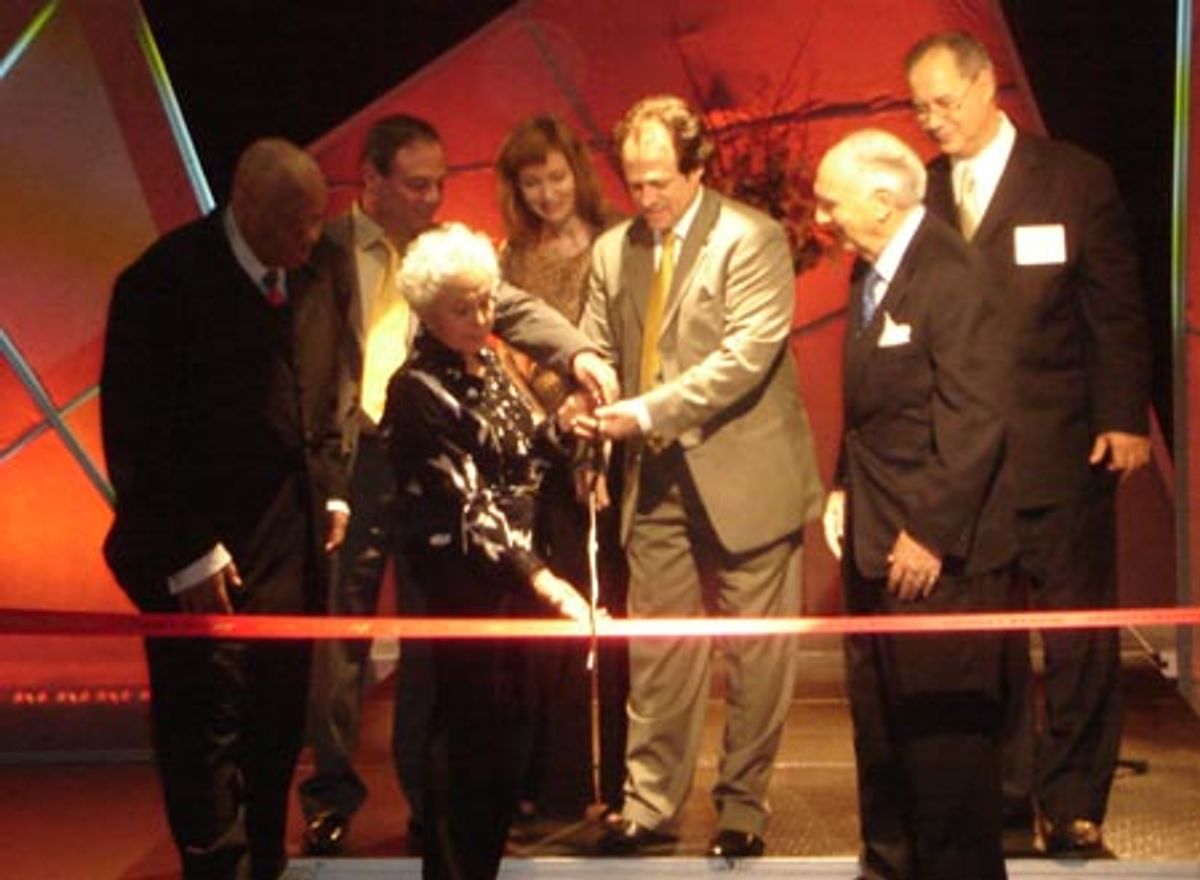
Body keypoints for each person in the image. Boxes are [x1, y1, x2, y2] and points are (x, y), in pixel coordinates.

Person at [299, 114, 619, 856]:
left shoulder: (453, 262)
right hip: (355, 457)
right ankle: (331, 793)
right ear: (371, 180)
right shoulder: (324, 251)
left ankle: (428, 798)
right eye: (416, 185)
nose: (431, 198)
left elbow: (516, 313)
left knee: (432, 640)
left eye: (439, 184)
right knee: (342, 633)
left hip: (435, 463)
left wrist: (579, 358)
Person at [905, 30, 1152, 856]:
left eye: (943, 102)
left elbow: (1114, 310)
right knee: (986, 647)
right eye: (919, 108)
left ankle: (1074, 802)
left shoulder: (1074, 179)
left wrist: (1123, 417)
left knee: (1078, 639)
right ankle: (1003, 803)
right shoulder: (922, 192)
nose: (931, 120)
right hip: (966, 467)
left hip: (1063, 451)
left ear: (985, 86)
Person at [578, 94, 825, 859]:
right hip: (655, 482)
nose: (646, 197)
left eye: (659, 181)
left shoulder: (752, 239)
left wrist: (646, 411)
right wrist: (584, 388)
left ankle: (743, 807)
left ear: (696, 169)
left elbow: (745, 358)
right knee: (659, 651)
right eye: (634, 183)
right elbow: (597, 344)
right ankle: (649, 805)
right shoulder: (613, 250)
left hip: (749, 479)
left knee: (756, 656)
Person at [100, 138, 351, 880]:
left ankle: (266, 864)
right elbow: (135, 434)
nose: (310, 237)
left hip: (292, 545)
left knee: (277, 725)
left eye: (317, 219)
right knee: (203, 730)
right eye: (295, 222)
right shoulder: (162, 284)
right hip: (199, 555)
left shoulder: (324, 269)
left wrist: (332, 486)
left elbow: (330, 384)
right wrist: (188, 551)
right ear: (245, 205)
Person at [815, 128, 1014, 880]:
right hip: (874, 546)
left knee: (945, 764)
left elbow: (976, 420)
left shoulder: (953, 276)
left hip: (938, 563)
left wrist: (928, 533)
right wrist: (842, 485)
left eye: (830, 203)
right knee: (883, 742)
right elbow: (872, 410)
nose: (821, 217)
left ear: (882, 200)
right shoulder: (868, 273)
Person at [382, 222, 594, 880]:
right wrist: (546, 581)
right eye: (463, 308)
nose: (481, 319)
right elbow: (466, 507)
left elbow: (528, 454)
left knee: (508, 745)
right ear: (427, 312)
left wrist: (565, 428)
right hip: (467, 583)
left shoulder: (492, 363)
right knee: (468, 742)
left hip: (517, 581)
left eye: (486, 302)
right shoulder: (416, 389)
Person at [493, 114, 627, 821]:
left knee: (609, 609)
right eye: (532, 182)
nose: (547, 193)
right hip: (539, 451)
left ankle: (613, 779)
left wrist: (591, 434)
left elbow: (623, 347)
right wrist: (552, 415)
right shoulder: (510, 257)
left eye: (555, 177)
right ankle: (553, 779)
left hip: (608, 441)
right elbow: (508, 352)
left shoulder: (616, 243)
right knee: (547, 609)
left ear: (578, 171)